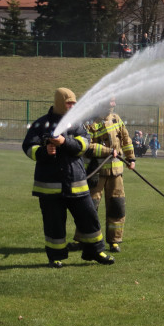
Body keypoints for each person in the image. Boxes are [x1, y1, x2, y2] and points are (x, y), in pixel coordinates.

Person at [21, 88, 115, 268]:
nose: (73, 106)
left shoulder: (76, 124)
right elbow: (28, 147)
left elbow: (85, 144)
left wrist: (65, 142)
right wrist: (43, 151)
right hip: (49, 186)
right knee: (53, 223)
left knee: (89, 217)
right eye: (69, 103)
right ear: (59, 103)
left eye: (74, 102)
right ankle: (55, 257)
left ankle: (96, 251)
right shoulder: (41, 124)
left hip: (76, 183)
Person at [76, 98, 136, 253]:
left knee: (117, 206)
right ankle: (83, 239)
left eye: (115, 102)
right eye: (111, 102)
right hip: (96, 172)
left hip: (116, 173)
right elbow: (87, 146)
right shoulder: (89, 122)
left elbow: (126, 139)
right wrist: (108, 151)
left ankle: (114, 241)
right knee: (90, 208)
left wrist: (131, 158)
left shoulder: (116, 119)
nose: (113, 105)